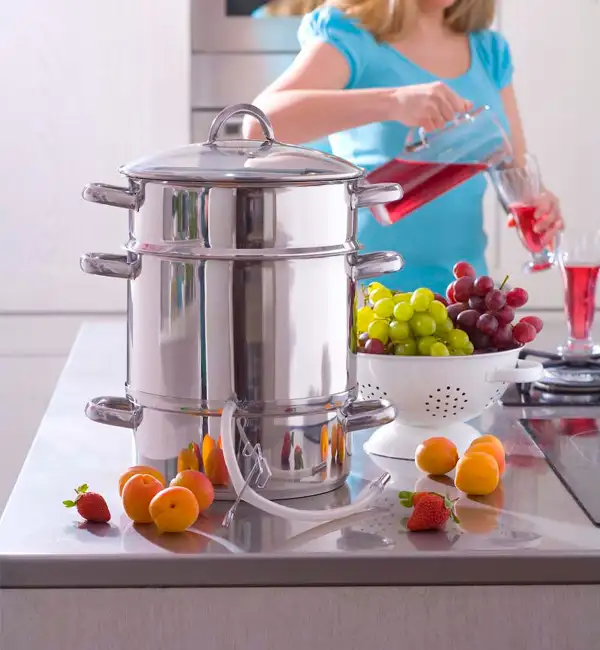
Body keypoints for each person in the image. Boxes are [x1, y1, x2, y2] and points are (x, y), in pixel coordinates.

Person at [244, 0, 564, 294]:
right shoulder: (354, 32)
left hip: (463, 296)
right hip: (370, 295)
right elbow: (259, 125)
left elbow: (514, 171)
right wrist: (393, 102)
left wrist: (539, 204)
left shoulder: (488, 50)